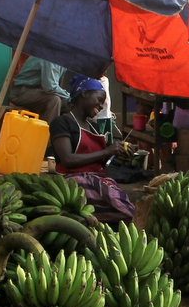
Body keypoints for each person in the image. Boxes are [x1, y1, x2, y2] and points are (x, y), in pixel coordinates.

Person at [49, 76, 136, 222]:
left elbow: (99, 160)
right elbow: (68, 160)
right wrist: (107, 151)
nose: (101, 106)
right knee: (124, 213)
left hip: (97, 179)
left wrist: (118, 153)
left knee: (126, 209)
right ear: (84, 93)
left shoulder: (94, 127)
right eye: (99, 100)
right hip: (73, 182)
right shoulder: (62, 122)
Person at [7, 55, 70, 121]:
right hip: (21, 92)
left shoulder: (63, 62)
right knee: (54, 100)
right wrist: (70, 97)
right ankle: (48, 130)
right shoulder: (51, 58)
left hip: (38, 93)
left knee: (69, 104)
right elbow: (50, 87)